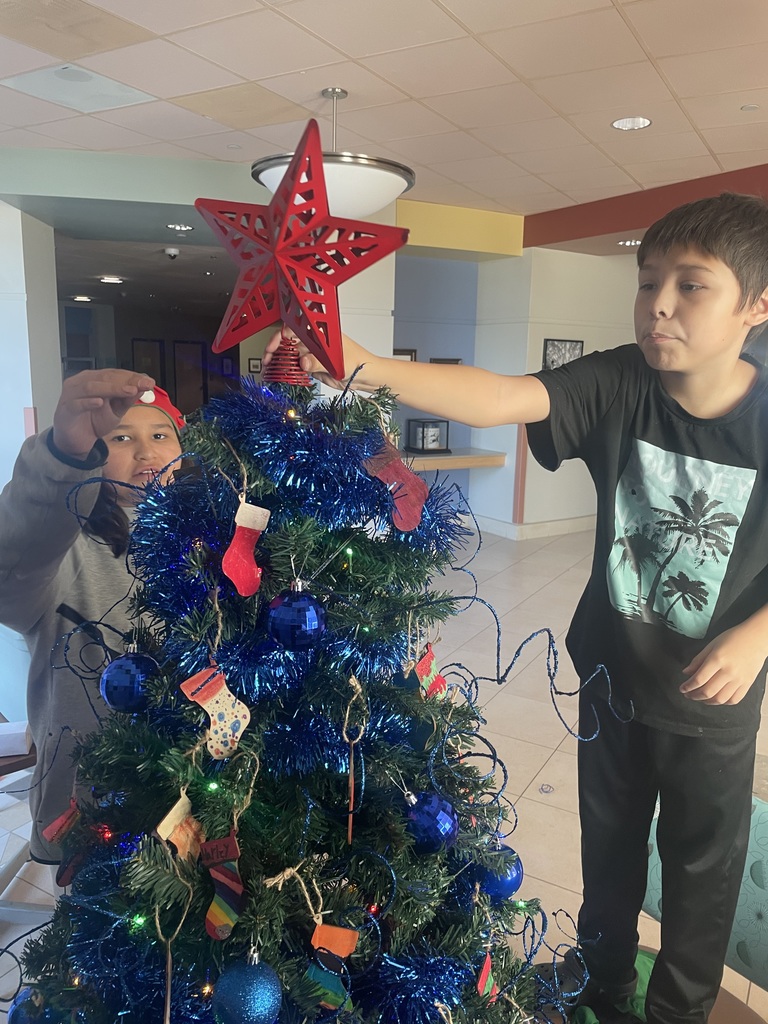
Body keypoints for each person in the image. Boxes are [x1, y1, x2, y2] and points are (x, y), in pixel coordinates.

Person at [264, 192, 768, 1024]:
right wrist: (371, 366)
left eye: (692, 286)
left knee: (699, 873)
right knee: (606, 856)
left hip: (710, 708)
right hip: (611, 675)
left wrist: (757, 635)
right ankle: (601, 994)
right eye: (647, 284)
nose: (659, 306)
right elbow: (502, 395)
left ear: (755, 303)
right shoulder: (619, 380)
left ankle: (677, 1012)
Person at [0, 370, 184, 868]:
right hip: (90, 807)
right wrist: (64, 457)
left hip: (196, 797)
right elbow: (13, 564)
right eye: (122, 437)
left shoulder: (209, 546)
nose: (146, 453)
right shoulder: (63, 545)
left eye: (160, 436)